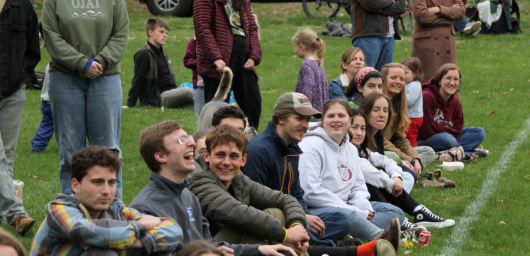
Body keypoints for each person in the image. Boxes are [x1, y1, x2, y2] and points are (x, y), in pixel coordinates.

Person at [188, 125, 399, 256]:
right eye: (220, 155)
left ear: (243, 160)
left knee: (285, 221)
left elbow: (286, 198)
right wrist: (287, 232)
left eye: (233, 156)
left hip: (253, 239)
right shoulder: (199, 179)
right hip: (208, 250)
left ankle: (361, 250)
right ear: (206, 156)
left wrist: (297, 224)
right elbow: (237, 213)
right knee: (275, 218)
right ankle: (364, 248)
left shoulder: (239, 178)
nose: (226, 162)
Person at [129, 120, 296, 256]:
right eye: (181, 140)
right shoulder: (144, 208)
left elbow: (211, 246)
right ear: (160, 156)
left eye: (188, 137)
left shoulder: (187, 196)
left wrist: (257, 250)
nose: (192, 143)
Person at [42, 0, 129, 198]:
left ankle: (112, 212)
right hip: (65, 80)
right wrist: (82, 64)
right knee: (71, 152)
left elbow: (121, 33)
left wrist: (99, 62)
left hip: (105, 78)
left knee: (108, 151)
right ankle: (71, 212)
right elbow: (51, 37)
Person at [244, 92, 353, 247]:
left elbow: (297, 194)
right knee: (298, 231)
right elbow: (256, 204)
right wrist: (298, 219)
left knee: (341, 219)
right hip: (268, 218)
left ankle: (313, 241)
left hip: (292, 214)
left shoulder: (293, 147)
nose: (306, 125)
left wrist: (303, 215)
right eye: (299, 118)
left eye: (307, 120)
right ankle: (328, 245)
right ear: (280, 118)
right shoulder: (259, 150)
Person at [31, 146, 183, 256]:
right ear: (75, 185)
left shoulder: (114, 210)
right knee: (104, 252)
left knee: (160, 251)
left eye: (111, 182)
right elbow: (91, 231)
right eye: (97, 182)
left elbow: (173, 230)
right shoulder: (59, 210)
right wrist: (141, 225)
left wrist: (142, 242)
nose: (106, 191)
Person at [299, 99, 404, 242]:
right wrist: (353, 211)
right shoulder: (310, 146)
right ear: (323, 121)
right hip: (319, 209)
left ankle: (350, 235)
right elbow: (310, 193)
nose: (336, 120)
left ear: (349, 121)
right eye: (330, 116)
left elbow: (358, 184)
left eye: (341, 116)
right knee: (346, 217)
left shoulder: (350, 148)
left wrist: (362, 207)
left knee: (394, 211)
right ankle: (385, 238)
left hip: (349, 206)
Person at [349, 109, 455, 231]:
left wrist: (396, 177)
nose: (359, 132)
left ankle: (417, 211)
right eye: (354, 127)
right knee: (372, 179)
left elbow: (386, 159)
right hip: (352, 204)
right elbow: (367, 170)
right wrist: (392, 183)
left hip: (381, 185)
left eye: (362, 128)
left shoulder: (360, 149)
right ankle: (398, 218)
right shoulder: (347, 151)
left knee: (393, 170)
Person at [194, 0, 262, 130]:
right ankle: (214, 145)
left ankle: (249, 142)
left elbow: (252, 29)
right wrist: (216, 58)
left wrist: (254, 56)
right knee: (217, 111)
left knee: (253, 103)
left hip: (244, 58)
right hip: (219, 61)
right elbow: (202, 30)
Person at [0, 0, 39, 236]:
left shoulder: (22, 6)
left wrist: (25, 78)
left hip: (13, 90)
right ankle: (16, 213)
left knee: (8, 155)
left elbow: (32, 49)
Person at [411, 0, 465, 82]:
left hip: (447, 43)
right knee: (428, 83)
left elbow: (461, 12)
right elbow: (422, 16)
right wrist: (449, 15)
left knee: (448, 81)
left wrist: (437, 9)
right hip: (427, 44)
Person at [417, 64, 486, 158]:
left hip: (448, 137)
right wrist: (447, 132)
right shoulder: (427, 97)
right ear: (439, 81)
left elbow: (458, 129)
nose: (452, 83)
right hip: (423, 140)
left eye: (456, 79)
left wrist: (439, 128)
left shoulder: (456, 102)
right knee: (447, 139)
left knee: (479, 133)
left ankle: (451, 153)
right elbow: (425, 131)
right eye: (448, 78)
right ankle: (464, 153)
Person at [125, 18, 193, 109]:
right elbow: (138, 80)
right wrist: (130, 104)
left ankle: (215, 106)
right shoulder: (144, 53)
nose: (165, 35)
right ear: (150, 32)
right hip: (158, 98)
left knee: (193, 106)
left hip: (171, 92)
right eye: (161, 32)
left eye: (166, 33)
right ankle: (213, 100)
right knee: (186, 92)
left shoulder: (162, 51)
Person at [379, 64, 435, 172]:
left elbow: (400, 138)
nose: (398, 82)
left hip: (392, 150)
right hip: (377, 150)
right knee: (391, 155)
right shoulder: (376, 104)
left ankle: (408, 171)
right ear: (383, 79)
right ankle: (407, 172)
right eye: (393, 78)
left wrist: (414, 158)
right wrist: (408, 159)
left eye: (402, 79)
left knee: (428, 151)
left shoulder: (397, 105)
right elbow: (380, 141)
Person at [292, 29, 328, 115]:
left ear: (302, 46)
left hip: (309, 115)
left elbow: (308, 90)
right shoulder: (319, 64)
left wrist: (302, 110)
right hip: (320, 112)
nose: (295, 50)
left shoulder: (306, 65)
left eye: (295, 47)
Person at [399, 58, 423, 148]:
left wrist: (397, 98)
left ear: (415, 73)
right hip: (410, 117)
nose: (403, 76)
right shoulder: (409, 84)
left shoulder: (415, 86)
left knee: (410, 137)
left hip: (413, 118)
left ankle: (414, 152)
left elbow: (409, 101)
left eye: (405, 73)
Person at [31, 64, 54, 152]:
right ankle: (71, 145)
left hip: (45, 98)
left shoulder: (50, 63)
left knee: (47, 122)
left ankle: (37, 145)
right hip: (56, 100)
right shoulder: (61, 63)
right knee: (67, 125)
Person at [184, 36, 206, 118]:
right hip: (200, 85)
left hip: (217, 84)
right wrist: (202, 63)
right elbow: (187, 61)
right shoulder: (194, 42)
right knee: (201, 116)